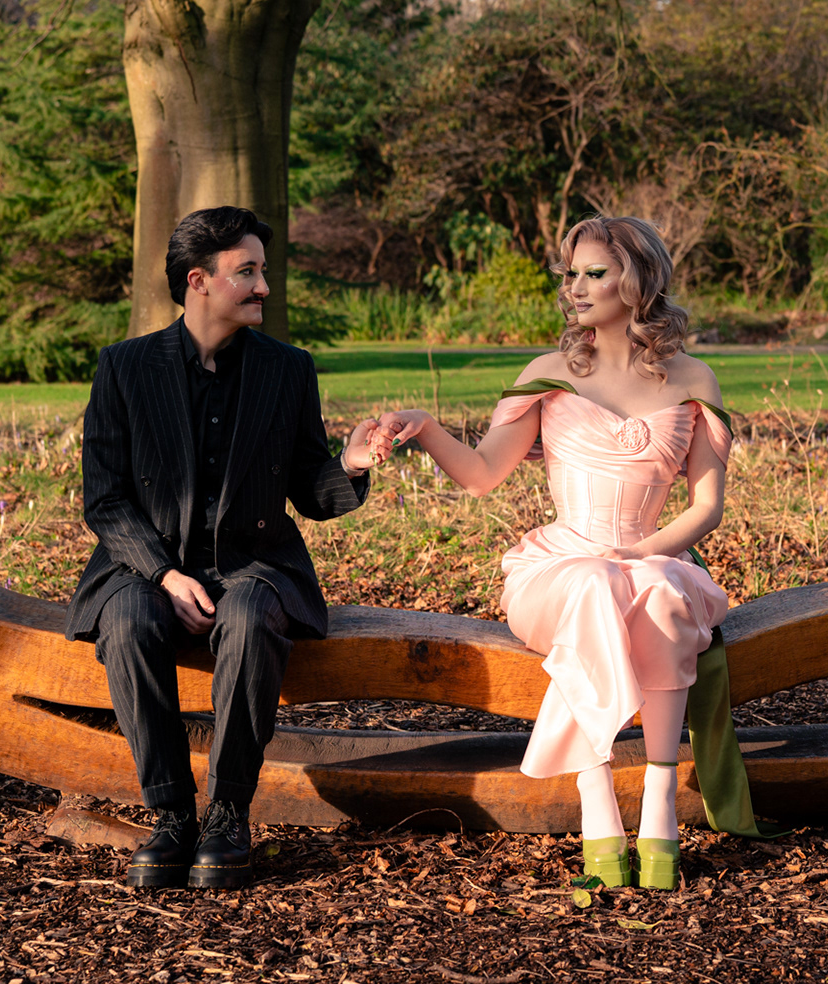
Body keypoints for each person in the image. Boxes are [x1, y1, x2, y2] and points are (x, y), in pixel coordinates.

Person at [372, 216, 736, 890]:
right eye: (570, 274)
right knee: (597, 584)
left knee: (658, 592)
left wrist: (644, 554)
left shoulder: (694, 379)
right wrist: (424, 428)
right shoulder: (549, 374)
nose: (575, 287)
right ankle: (596, 799)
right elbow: (483, 475)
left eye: (594, 272)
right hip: (560, 565)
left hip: (653, 555)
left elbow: (706, 506)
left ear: (637, 279)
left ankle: (659, 807)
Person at [65, 207, 383, 889]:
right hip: (143, 564)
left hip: (254, 565)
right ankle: (173, 813)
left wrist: (350, 463)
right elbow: (105, 499)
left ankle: (229, 812)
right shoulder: (123, 369)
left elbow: (311, 491)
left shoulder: (287, 370)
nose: (264, 285)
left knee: (247, 617)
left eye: (262, 271)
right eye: (248, 272)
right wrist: (165, 574)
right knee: (128, 622)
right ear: (198, 281)